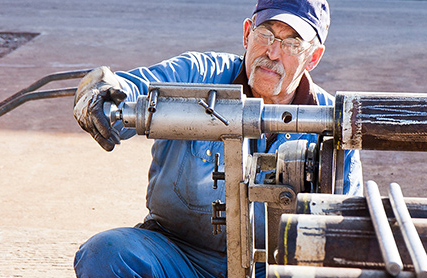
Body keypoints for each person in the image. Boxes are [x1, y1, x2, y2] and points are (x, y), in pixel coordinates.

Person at [73, 0, 363, 277]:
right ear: (247, 33)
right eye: (266, 34)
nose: (273, 53)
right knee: (105, 253)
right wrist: (101, 91)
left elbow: (344, 231)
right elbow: (132, 89)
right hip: (178, 254)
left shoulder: (332, 122)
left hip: (274, 267)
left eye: (292, 44)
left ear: (313, 57)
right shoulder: (198, 74)